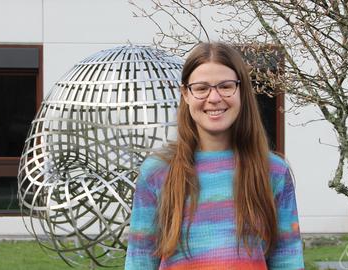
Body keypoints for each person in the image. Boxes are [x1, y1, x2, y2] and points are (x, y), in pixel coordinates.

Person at [125, 42, 304, 269]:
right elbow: (139, 260)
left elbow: (288, 259)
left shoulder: (274, 171)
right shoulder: (157, 171)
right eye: (201, 88)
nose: (214, 98)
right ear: (186, 94)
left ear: (241, 91)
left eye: (225, 86)